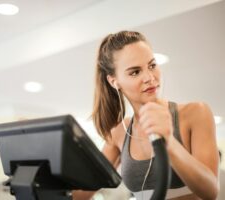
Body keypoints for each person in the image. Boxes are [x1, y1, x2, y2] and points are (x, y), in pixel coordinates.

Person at [73, 30, 219, 200]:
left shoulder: (195, 113)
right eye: (135, 72)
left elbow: (211, 192)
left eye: (152, 65)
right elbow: (81, 195)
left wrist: (169, 142)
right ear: (114, 81)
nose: (150, 77)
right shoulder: (120, 131)